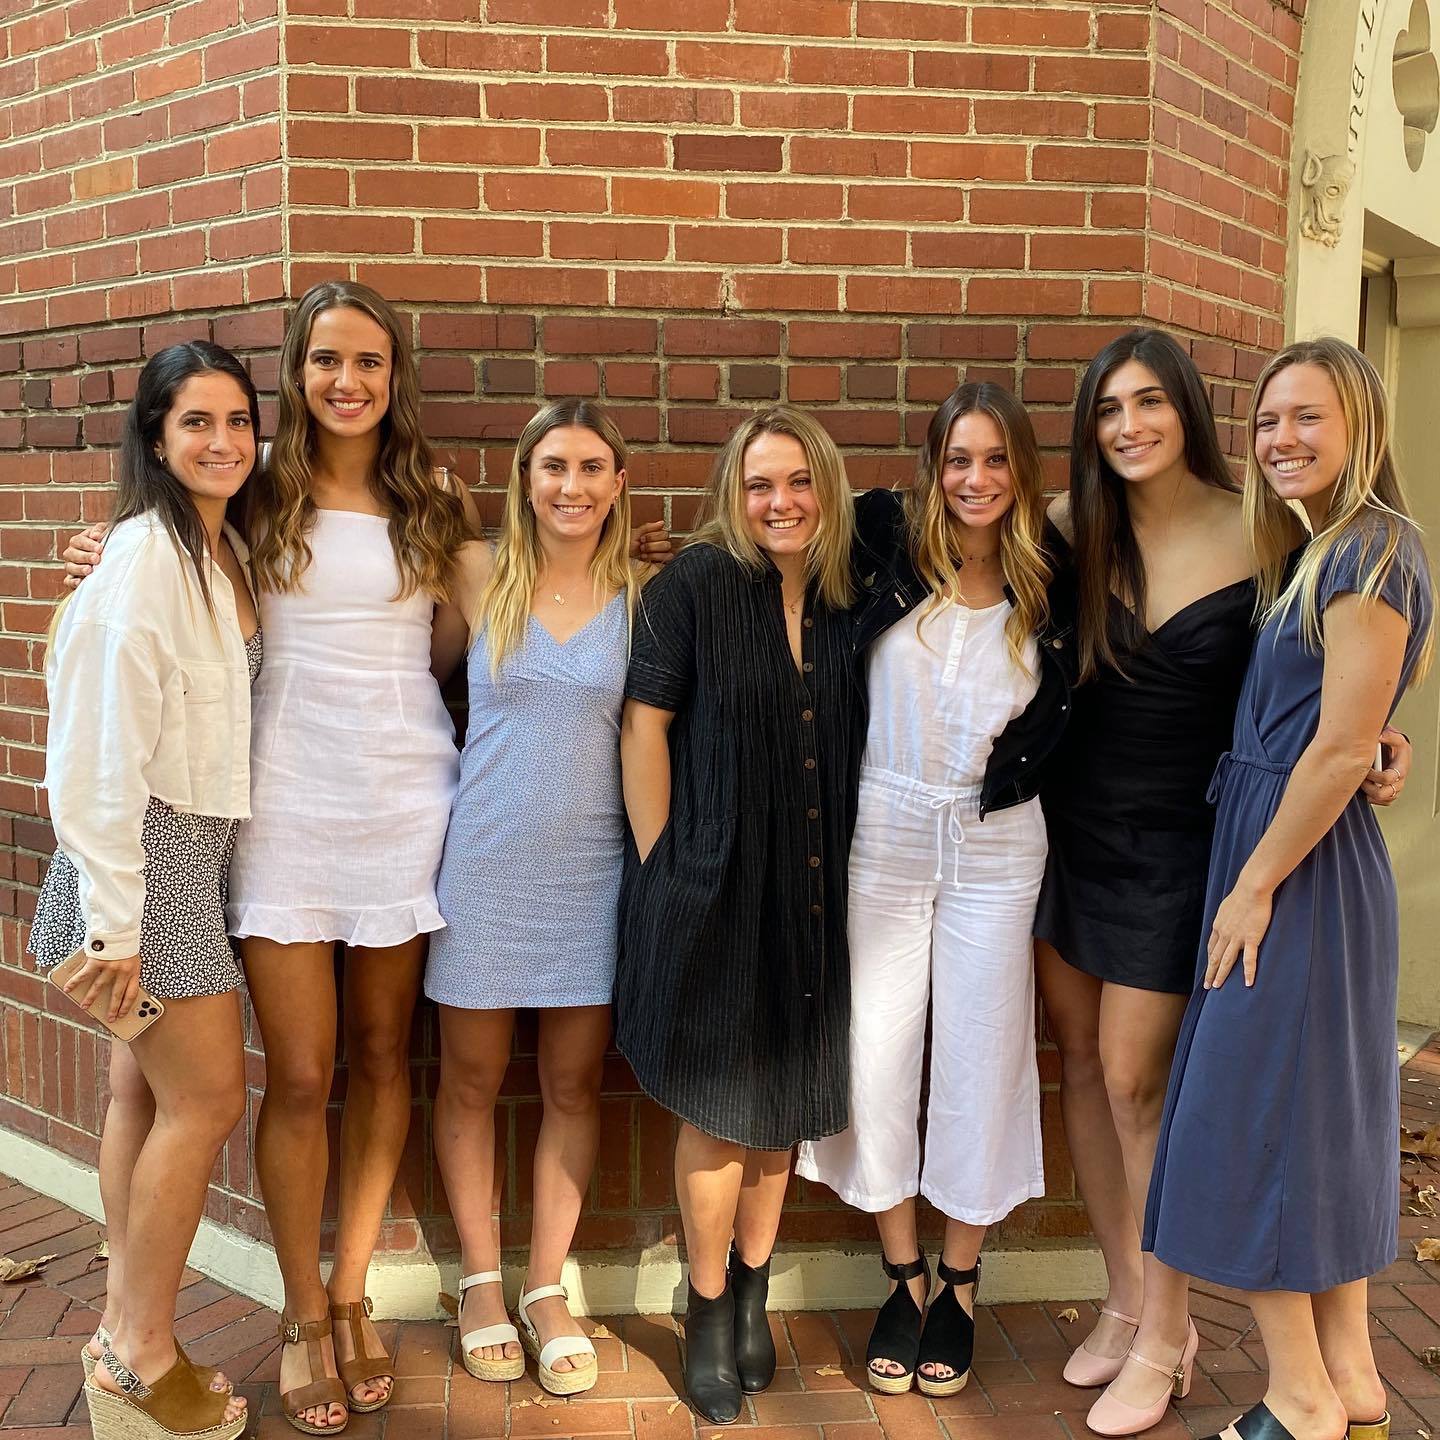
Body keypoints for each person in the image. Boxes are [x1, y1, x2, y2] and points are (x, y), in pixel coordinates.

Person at [1035, 329, 1413, 1438]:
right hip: (1079, 835)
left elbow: (1339, 685)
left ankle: (1173, 1334)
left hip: (1205, 848)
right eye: (1109, 408)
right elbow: (941, 530)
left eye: (1151, 402)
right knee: (1091, 1074)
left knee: (1154, 1089)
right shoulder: (1072, 528)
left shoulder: (1272, 529)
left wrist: (1377, 742)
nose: (1129, 426)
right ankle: (1132, 1303)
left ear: (1190, 413)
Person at [1145, 338, 1434, 1440]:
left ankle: (1300, 1397)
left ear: (1360, 425)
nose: (1281, 439)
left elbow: (1341, 745)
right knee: (1311, 1123)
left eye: (1307, 417)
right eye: (1267, 420)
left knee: (1242, 1121)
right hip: (1284, 845)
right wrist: (1370, 747)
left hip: (1296, 871)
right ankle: (1351, 1379)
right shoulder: (1326, 549)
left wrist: (1253, 885)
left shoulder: (1371, 551)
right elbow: (1349, 727)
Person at [796, 384, 1074, 1398]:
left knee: (982, 1055)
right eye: (959, 459)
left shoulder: (1055, 579)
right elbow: (770, 538)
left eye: (997, 460)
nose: (976, 479)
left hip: (997, 842)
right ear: (933, 466)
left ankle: (960, 1278)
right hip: (883, 830)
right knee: (873, 1050)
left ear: (1023, 471)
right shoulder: (883, 544)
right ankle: (902, 1272)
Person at [30, 342, 259, 1440]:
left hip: (182, 860)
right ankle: (140, 1351)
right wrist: (116, 927)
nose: (222, 441)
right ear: (156, 438)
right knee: (208, 1101)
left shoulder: (218, 546)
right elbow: (95, 754)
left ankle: (123, 1330)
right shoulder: (142, 559)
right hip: (144, 870)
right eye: (195, 422)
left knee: (144, 1094)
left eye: (237, 421)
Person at [617, 405, 864, 1424]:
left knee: (781, 1116)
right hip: (713, 884)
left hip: (813, 887)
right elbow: (644, 726)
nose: (781, 502)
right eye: (760, 484)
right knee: (719, 1115)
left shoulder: (853, 595)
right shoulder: (694, 586)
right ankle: (709, 1307)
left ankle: (756, 1286)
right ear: (734, 493)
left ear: (827, 489)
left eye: (799, 481)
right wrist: (662, 865)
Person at [424, 399, 639, 1397]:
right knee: (469, 1080)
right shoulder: (476, 570)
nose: (572, 486)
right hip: (484, 865)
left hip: (593, 873)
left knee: (572, 1085)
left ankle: (547, 1287)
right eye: (554, 465)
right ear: (525, 477)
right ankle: (479, 1281)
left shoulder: (643, 593)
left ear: (619, 483)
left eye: (592, 467)